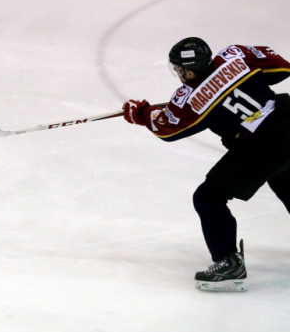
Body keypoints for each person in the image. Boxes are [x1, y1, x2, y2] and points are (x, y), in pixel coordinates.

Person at [122, 37, 290, 292]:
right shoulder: (235, 55)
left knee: (208, 197)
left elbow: (167, 129)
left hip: (262, 145)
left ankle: (228, 263)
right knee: (284, 176)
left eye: (179, 69)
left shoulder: (189, 97)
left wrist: (140, 113)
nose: (178, 74)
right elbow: (281, 68)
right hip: (287, 119)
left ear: (188, 70)